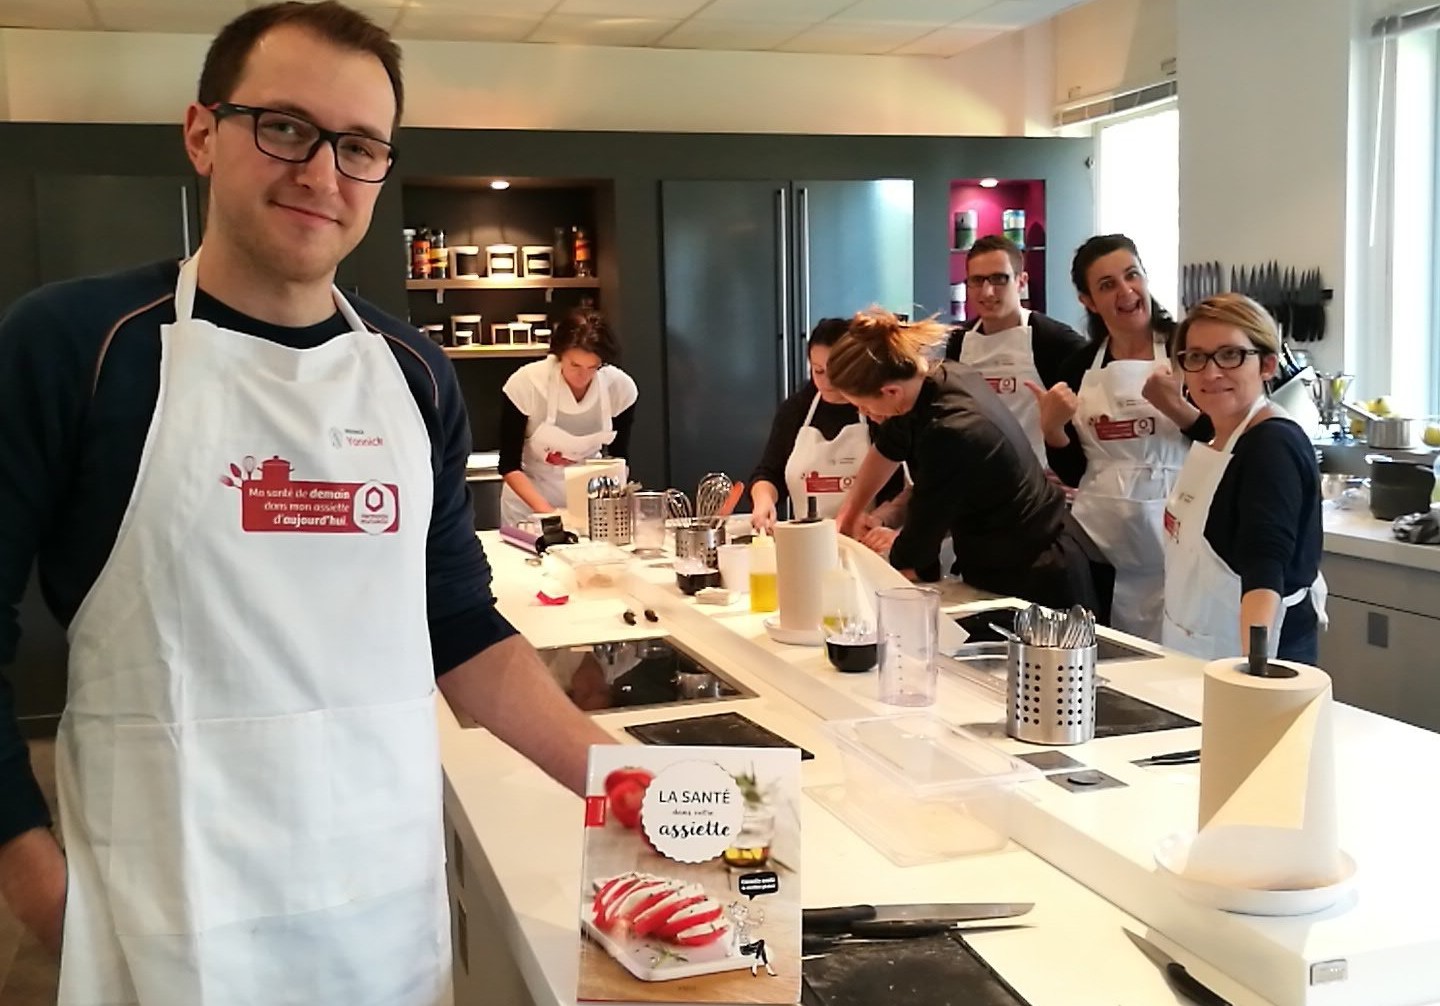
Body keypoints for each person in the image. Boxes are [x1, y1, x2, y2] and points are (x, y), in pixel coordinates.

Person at [0, 3, 612, 1002]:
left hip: (379, 915)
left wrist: (643, 787)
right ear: (203, 133)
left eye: (360, 145)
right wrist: (32, 883)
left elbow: (458, 626)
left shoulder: (412, 373)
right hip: (162, 920)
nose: (323, 172)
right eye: (285, 127)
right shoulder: (79, 345)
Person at [829, 309, 1111, 610]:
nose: (866, 415)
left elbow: (914, 556)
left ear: (890, 391)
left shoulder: (951, 430)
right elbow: (888, 447)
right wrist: (848, 518)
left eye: (863, 405)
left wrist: (889, 552)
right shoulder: (934, 377)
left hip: (1037, 574)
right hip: (1005, 561)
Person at [1027, 234, 1207, 642]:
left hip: (1184, 544)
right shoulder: (1078, 366)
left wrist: (1177, 408)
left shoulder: (1189, 350)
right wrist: (1052, 428)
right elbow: (1074, 470)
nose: (1126, 292)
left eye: (1132, 276)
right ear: (1088, 301)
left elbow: (1224, 442)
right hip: (1102, 550)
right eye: (1107, 285)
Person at [1162, 294, 1327, 661]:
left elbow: (1265, 569)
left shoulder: (1273, 446)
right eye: (1196, 357)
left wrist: (1254, 675)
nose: (1211, 372)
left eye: (1230, 355)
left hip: (1250, 657)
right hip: (1194, 645)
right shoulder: (1215, 436)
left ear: (1267, 365)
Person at [748, 317, 903, 532]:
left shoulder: (877, 410)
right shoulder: (796, 411)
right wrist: (763, 501)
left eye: (835, 371)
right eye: (818, 371)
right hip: (806, 545)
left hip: (867, 544)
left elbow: (900, 489)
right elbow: (769, 473)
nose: (827, 382)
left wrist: (876, 520)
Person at [945, 234, 1086, 463]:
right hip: (974, 477)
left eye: (999, 279)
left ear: (1022, 282)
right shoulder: (957, 342)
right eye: (977, 280)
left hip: (1037, 481)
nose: (987, 292)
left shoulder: (1052, 339)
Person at [498, 307, 638, 526]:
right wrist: (551, 515)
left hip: (591, 505)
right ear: (559, 354)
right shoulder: (527, 384)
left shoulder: (620, 389)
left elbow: (620, 458)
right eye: (575, 365)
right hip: (528, 506)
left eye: (593, 367)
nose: (583, 376)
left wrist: (611, 506)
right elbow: (508, 465)